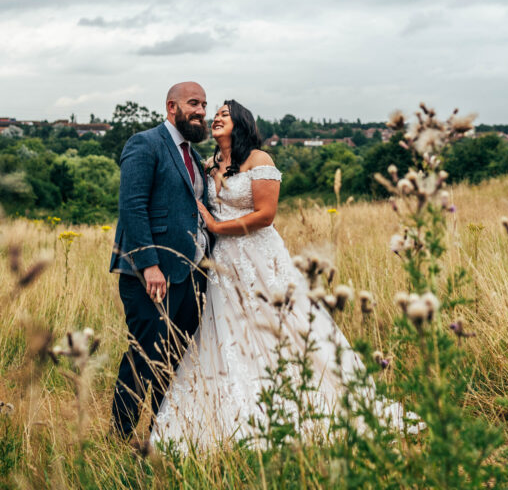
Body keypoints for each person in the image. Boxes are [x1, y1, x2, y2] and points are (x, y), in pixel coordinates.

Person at [149, 99, 407, 450]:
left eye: (224, 114)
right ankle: (232, 411)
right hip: (224, 263)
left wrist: (215, 224)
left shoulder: (260, 160)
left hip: (260, 257)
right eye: (216, 115)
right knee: (228, 329)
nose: (216, 118)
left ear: (240, 122)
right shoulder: (209, 165)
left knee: (287, 325)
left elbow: (266, 215)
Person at [109, 81, 211, 440]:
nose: (200, 111)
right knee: (143, 357)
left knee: (173, 362)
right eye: (193, 103)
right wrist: (149, 264)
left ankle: (159, 435)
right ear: (172, 107)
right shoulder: (145, 143)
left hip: (189, 277)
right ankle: (119, 436)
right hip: (149, 276)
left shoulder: (194, 156)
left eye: (204, 105)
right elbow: (132, 206)